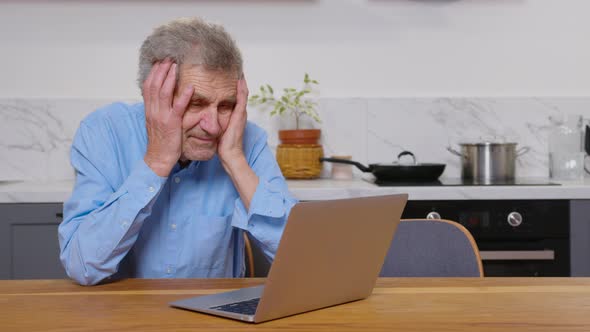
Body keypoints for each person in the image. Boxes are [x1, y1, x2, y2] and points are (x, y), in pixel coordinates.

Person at [58, 17, 297, 286]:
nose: (213, 126)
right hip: (121, 318)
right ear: (153, 95)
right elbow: (82, 266)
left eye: (226, 105)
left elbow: (304, 263)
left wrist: (235, 159)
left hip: (214, 320)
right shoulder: (104, 132)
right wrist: (157, 161)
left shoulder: (246, 139)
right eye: (195, 103)